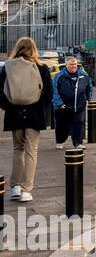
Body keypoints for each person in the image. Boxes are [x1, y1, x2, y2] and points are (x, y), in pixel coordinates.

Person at [1, 37, 55, 203]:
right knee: (32, 151)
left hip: (14, 113)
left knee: (18, 149)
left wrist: (9, 107)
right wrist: (39, 107)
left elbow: (0, 92)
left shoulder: (7, 67)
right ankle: (26, 190)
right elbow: (48, 94)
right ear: (33, 49)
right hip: (34, 113)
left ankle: (15, 187)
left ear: (17, 48)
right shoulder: (41, 68)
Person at [52, 54, 94, 150]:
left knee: (79, 123)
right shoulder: (59, 76)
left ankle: (78, 142)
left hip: (79, 105)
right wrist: (59, 103)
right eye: (71, 64)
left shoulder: (83, 75)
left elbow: (89, 88)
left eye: (75, 64)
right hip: (63, 106)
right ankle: (60, 141)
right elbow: (54, 91)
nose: (73, 66)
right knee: (62, 125)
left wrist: (88, 99)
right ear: (66, 65)